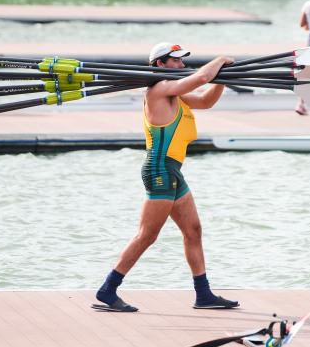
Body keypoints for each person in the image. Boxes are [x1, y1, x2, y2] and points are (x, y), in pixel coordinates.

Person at [94, 42, 239, 312]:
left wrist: (223, 79)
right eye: (176, 61)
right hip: (159, 169)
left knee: (193, 231)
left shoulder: (176, 93)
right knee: (147, 236)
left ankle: (203, 295)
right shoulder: (159, 90)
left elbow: (205, 99)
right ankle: (107, 290)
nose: (182, 66)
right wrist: (219, 60)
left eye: (182, 62)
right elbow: (201, 78)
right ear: (160, 64)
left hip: (172, 172)